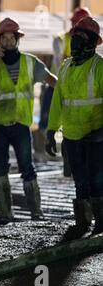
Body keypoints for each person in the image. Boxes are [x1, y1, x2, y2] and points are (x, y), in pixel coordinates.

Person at [0, 17, 57, 224]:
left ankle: (36, 211)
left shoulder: (30, 63)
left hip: (21, 125)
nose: (7, 42)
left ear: (17, 39)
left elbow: (52, 81)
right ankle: (6, 212)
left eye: (10, 38)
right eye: (3, 38)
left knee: (27, 167)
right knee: (0, 168)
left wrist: (67, 94)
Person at [46, 17, 103, 240]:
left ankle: (100, 224)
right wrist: (51, 131)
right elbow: (57, 102)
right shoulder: (66, 67)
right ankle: (82, 222)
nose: (76, 42)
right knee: (80, 180)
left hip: (96, 135)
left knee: (97, 181)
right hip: (72, 136)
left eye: (81, 38)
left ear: (91, 42)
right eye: (74, 37)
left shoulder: (99, 67)